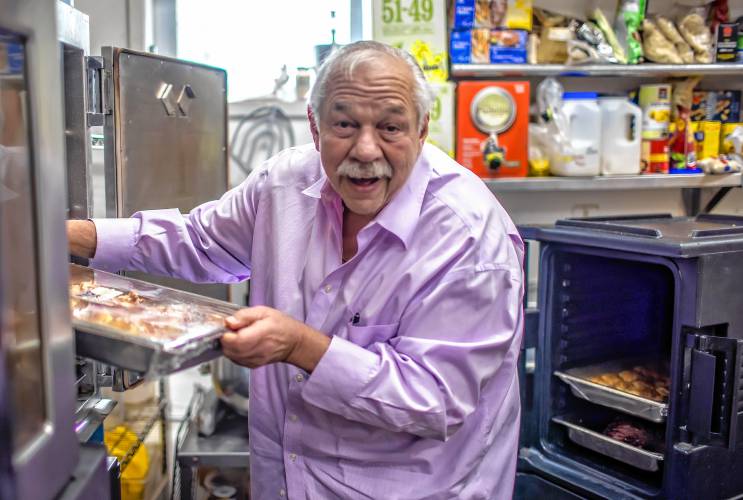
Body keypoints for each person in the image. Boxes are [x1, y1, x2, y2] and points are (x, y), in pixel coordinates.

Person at [68, 41, 525, 499]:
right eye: (344, 124)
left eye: (390, 127)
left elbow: (434, 401)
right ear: (314, 124)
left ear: (422, 130)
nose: (366, 150)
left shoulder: (470, 238)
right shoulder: (284, 183)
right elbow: (200, 241)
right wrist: (66, 236)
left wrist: (300, 346)